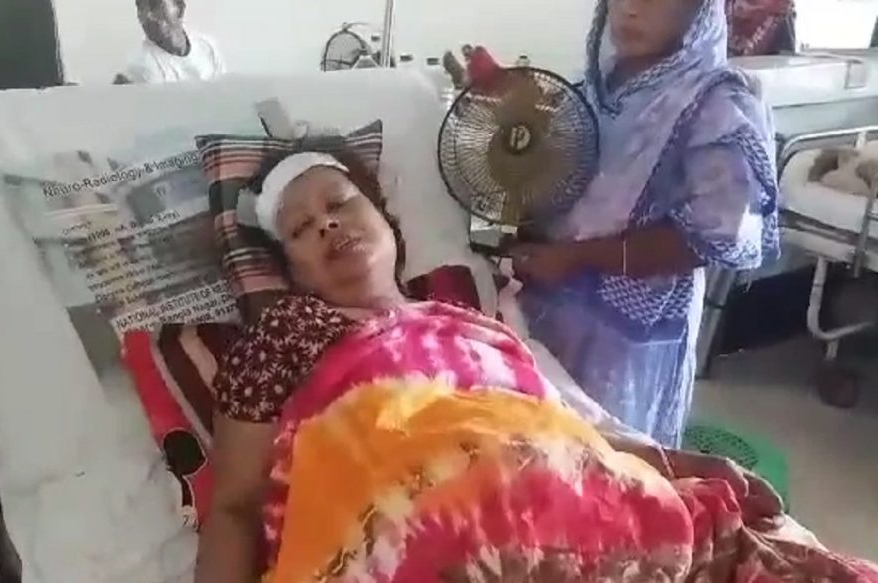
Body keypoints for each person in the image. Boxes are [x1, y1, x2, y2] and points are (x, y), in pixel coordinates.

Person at [194, 150, 876, 583]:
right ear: (293, 272)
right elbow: (233, 505)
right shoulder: (280, 336)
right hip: (421, 534)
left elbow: (560, 428)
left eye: (340, 203)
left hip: (588, 513)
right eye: (300, 229)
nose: (326, 225)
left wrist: (682, 462)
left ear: (386, 219)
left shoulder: (477, 327)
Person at [511, 0, 780, 447]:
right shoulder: (593, 89)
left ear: (698, 11)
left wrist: (577, 258)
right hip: (547, 308)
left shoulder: (717, 106)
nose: (631, 10)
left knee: (612, 454)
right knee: (541, 446)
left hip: (627, 340)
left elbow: (713, 236)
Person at [114, 0, 225, 84]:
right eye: (140, 8)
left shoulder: (207, 47)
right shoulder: (141, 68)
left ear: (180, 10)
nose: (146, 16)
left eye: (154, 5)